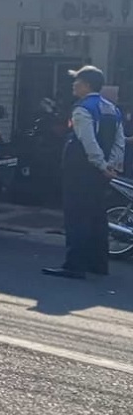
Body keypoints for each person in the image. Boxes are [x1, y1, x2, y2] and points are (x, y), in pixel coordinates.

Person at [43, 65, 124, 279]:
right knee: (98, 218)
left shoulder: (82, 108)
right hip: (101, 173)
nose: (73, 85)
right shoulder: (111, 108)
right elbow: (119, 141)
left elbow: (88, 141)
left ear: (86, 85)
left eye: (76, 82)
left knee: (77, 218)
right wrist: (111, 165)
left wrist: (100, 164)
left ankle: (74, 265)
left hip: (81, 171)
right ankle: (98, 264)